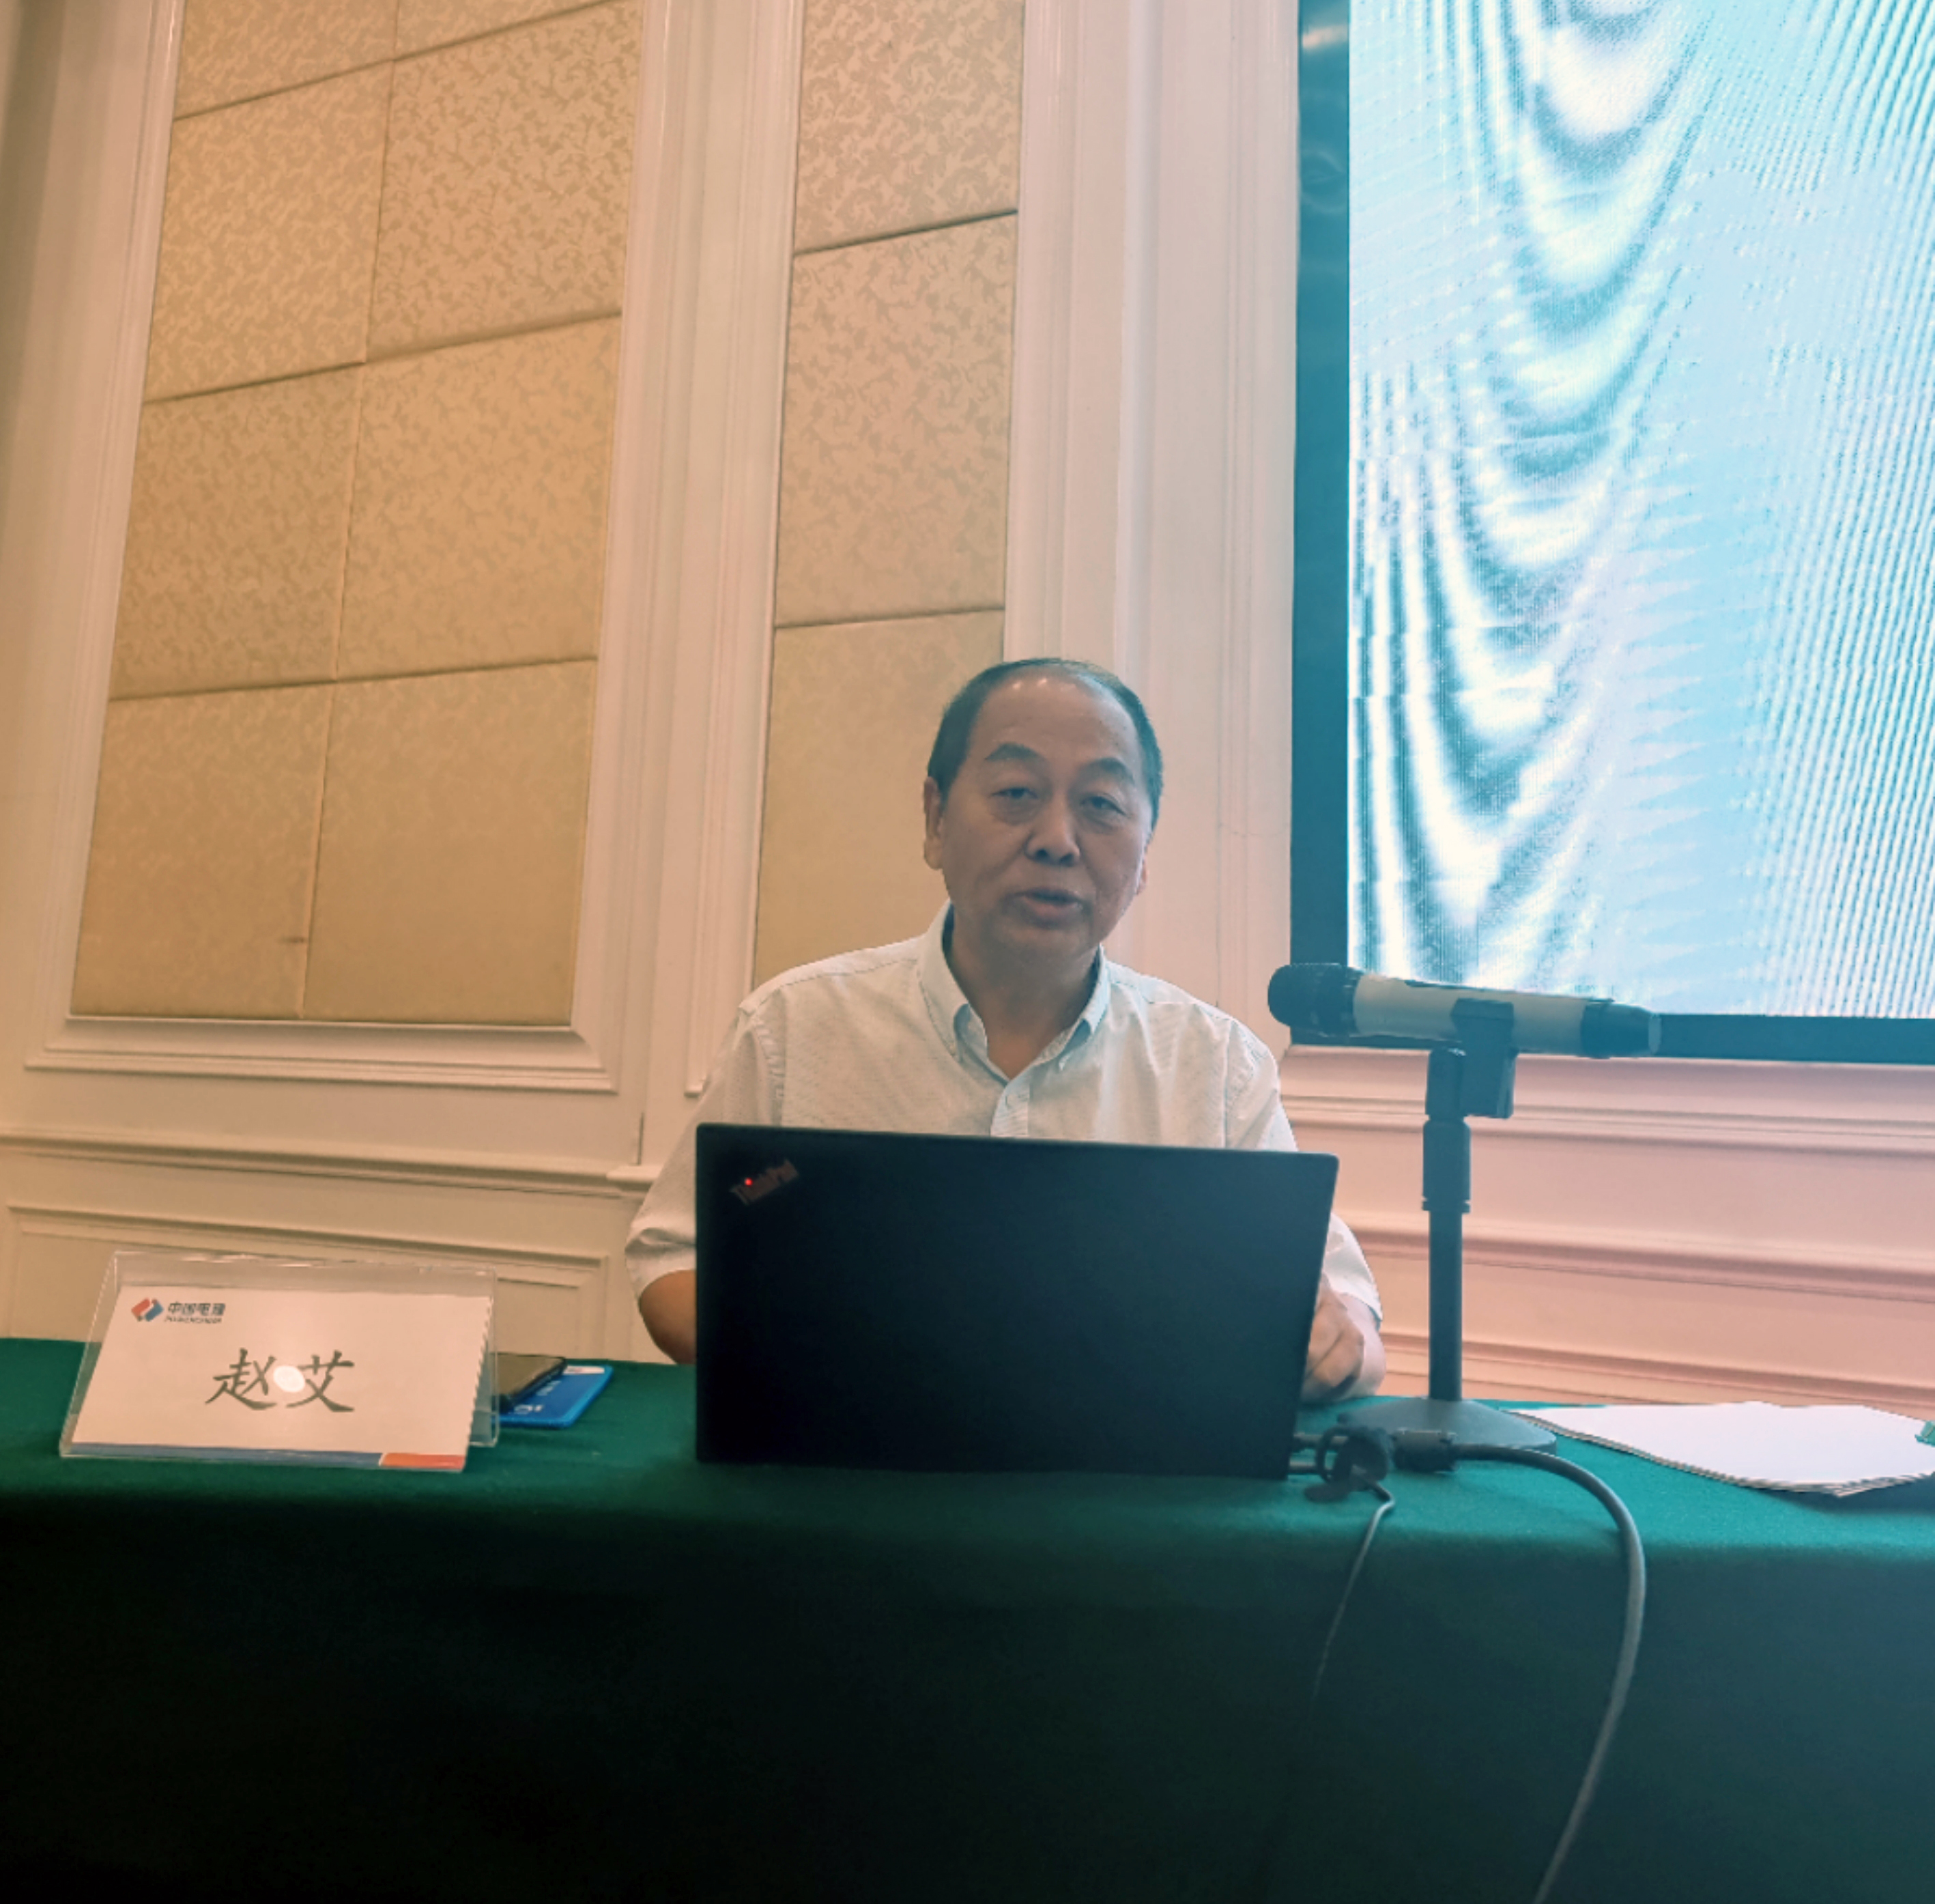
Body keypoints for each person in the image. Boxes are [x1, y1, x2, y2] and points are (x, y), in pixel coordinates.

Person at [628, 658, 1384, 1401]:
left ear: (1145, 853)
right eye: (1017, 793)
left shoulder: (1215, 1066)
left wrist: (1332, 1347)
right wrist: (829, 1357)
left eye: (1102, 804)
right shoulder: (795, 1028)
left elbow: (1347, 1316)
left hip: (1119, 1474)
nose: (1057, 839)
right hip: (841, 1461)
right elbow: (674, 1258)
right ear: (935, 818)